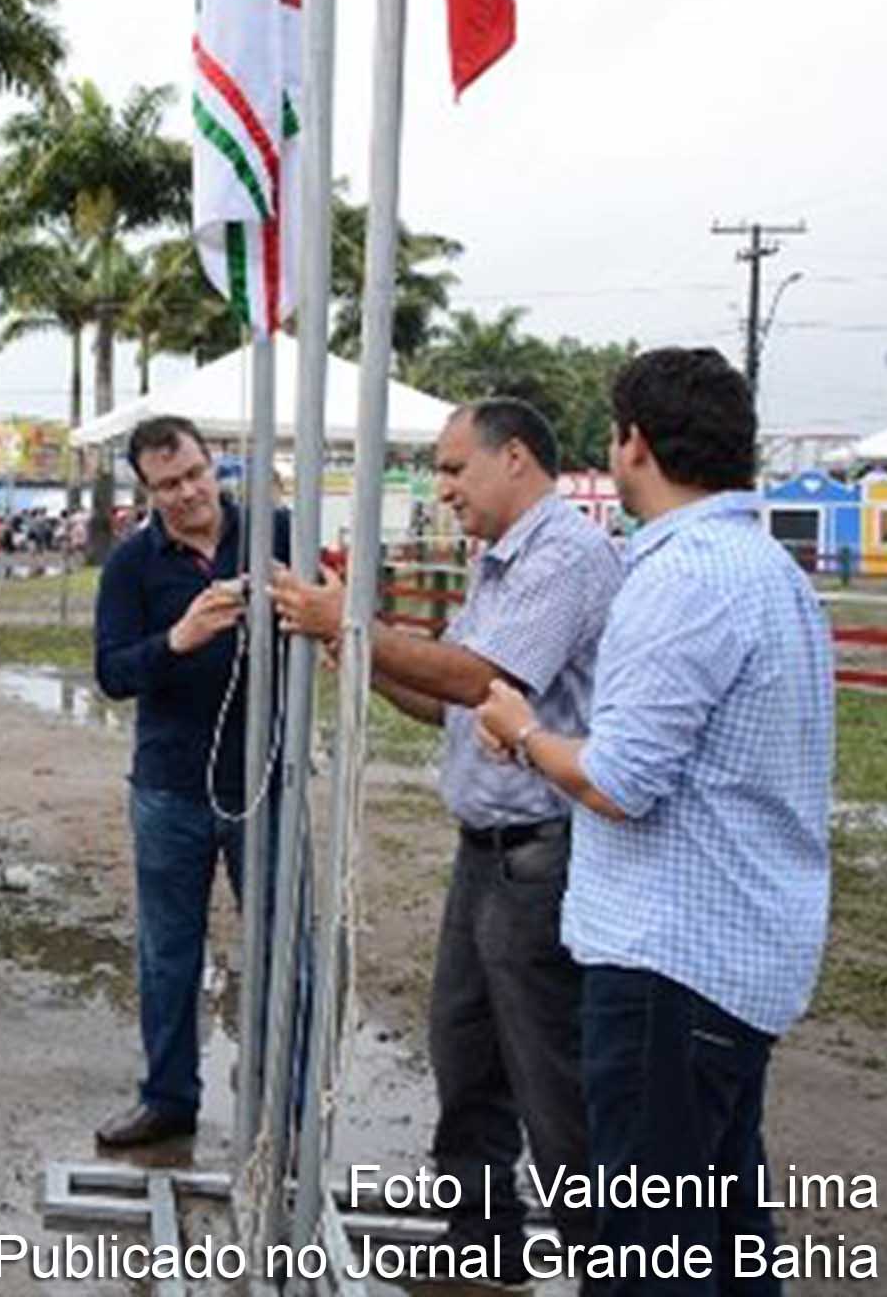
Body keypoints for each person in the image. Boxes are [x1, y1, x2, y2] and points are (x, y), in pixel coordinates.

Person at [476, 349, 834, 1290]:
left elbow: (619, 781)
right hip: (735, 953)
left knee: (649, 1258)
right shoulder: (769, 570)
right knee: (722, 1241)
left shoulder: (681, 579)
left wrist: (522, 730)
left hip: (669, 963)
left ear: (633, 443)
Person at [273, 399, 618, 1269]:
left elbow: (477, 678)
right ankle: (481, 1241)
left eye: (456, 467)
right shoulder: (499, 563)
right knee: (465, 1049)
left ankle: (602, 1260)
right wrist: (360, 655)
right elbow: (447, 701)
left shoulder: (564, 557)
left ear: (517, 460)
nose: (444, 488)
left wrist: (352, 627)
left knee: (550, 1077)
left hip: (540, 854)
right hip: (490, 852)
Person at [90, 415, 286, 1152]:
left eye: (196, 474)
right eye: (168, 485)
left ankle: (283, 1105)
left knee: (276, 946)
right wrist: (178, 639)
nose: (188, 493)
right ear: (146, 491)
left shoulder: (277, 533)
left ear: (216, 466)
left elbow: (333, 614)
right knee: (170, 953)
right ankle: (168, 1098)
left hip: (267, 779)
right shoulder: (132, 566)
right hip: (170, 786)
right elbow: (112, 672)